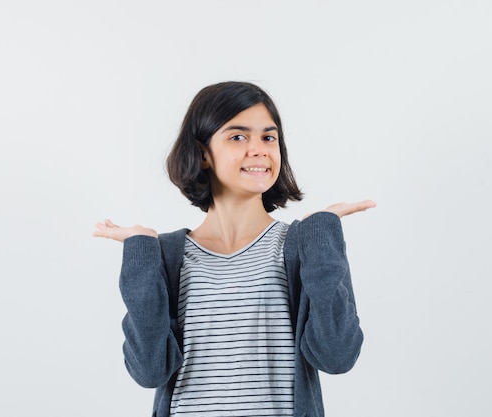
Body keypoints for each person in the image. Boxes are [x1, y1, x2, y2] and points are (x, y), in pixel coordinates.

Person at [93, 81, 376, 417]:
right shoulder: (169, 255)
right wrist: (141, 252)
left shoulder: (302, 246)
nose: (259, 149)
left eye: (268, 137)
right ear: (202, 153)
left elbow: (336, 355)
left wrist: (320, 233)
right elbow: (148, 370)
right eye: (238, 136)